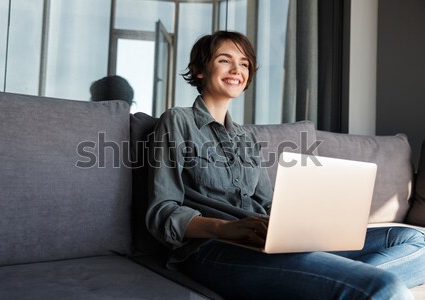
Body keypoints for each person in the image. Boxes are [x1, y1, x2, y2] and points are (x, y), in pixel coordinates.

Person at [146, 30, 425, 299]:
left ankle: (342, 282)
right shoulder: (177, 121)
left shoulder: (246, 138)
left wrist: (301, 226)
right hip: (212, 249)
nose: (237, 69)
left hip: (268, 243)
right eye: (224, 60)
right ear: (200, 70)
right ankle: (350, 283)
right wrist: (222, 228)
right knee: (386, 287)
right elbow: (162, 211)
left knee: (415, 242)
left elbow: (268, 205)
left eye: (244, 63)